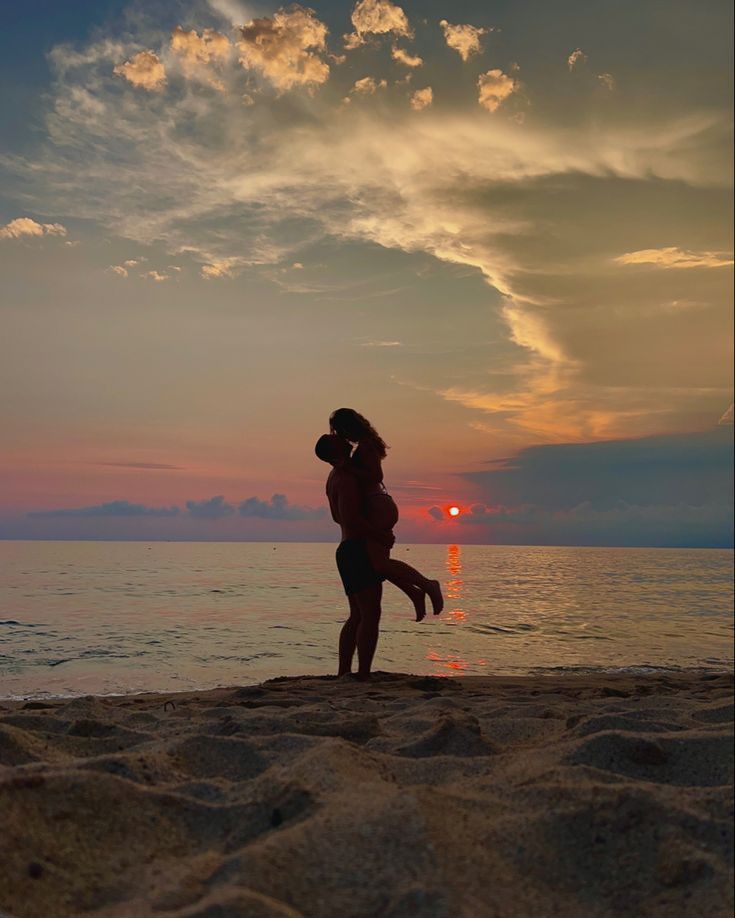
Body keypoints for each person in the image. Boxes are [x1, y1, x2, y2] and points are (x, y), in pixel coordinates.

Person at [329, 407, 444, 621]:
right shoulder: (365, 445)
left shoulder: (366, 446)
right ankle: (415, 594)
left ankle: (427, 585)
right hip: (379, 507)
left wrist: (348, 467)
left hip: (378, 507)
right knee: (378, 564)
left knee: (380, 564)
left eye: (341, 430)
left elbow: (375, 475)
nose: (341, 435)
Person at [315, 433, 392, 680]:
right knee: (370, 614)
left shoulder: (337, 476)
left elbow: (337, 518)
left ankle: (345, 671)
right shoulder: (345, 478)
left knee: (358, 615)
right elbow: (349, 520)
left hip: (350, 549)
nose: (342, 438)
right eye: (335, 438)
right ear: (334, 452)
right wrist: (379, 534)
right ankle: (362, 673)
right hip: (357, 549)